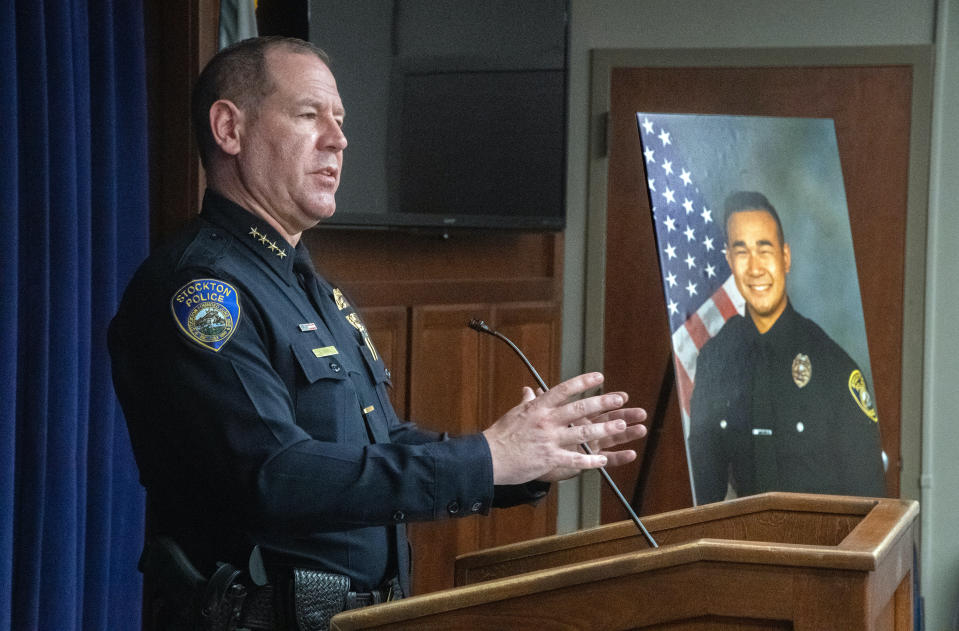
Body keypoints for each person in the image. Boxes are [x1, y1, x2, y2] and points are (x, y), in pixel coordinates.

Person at [108, 36, 647, 629]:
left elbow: (380, 445)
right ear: (229, 129)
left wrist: (519, 463)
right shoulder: (202, 290)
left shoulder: (313, 290)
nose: (338, 139)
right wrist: (485, 459)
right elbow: (274, 477)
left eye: (340, 120)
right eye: (309, 115)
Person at [687, 191, 884, 505]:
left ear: (785, 257)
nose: (754, 268)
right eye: (742, 252)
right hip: (748, 548)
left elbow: (871, 500)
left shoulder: (832, 366)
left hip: (822, 550)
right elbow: (701, 490)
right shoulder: (717, 361)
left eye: (764, 250)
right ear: (729, 261)